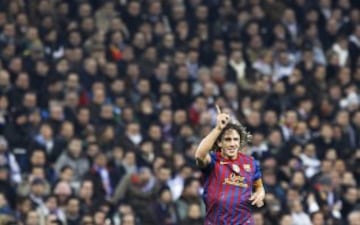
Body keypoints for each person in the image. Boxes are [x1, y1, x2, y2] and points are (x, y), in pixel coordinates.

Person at [194, 105, 265, 225]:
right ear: (220, 143)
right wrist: (218, 129)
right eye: (227, 139)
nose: (232, 144)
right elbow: (199, 155)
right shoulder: (213, 161)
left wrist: (260, 193)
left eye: (235, 139)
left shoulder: (250, 162)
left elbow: (258, 185)